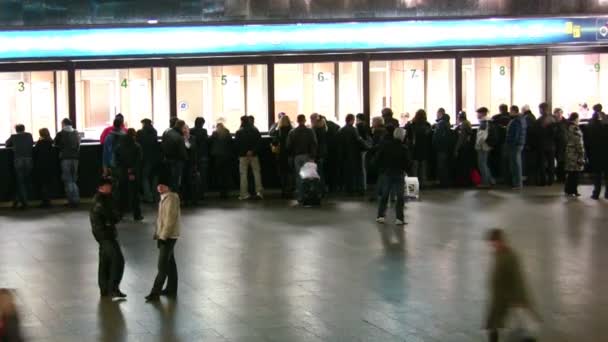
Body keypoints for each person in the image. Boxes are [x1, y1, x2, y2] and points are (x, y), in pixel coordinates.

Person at [485, 229, 538, 342]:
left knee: (521, 327)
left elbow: (518, 279)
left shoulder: (511, 256)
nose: (493, 245)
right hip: (499, 297)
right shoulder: (498, 254)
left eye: (495, 242)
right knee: (494, 324)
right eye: (492, 243)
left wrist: (519, 300)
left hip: (509, 297)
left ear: (501, 241)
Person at [146, 176, 181, 302]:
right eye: (158, 184)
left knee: (162, 266)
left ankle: (154, 293)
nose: (160, 187)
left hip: (168, 236)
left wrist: (163, 236)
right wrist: (157, 233)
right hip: (166, 235)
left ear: (168, 186)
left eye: (163, 185)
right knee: (170, 263)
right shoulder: (163, 198)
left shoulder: (171, 199)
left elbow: (170, 220)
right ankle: (171, 289)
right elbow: (161, 219)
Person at [90, 178, 126, 299]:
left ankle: (105, 289)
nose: (110, 188)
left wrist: (114, 218)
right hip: (105, 235)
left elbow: (116, 215)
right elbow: (112, 216)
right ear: (100, 187)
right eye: (107, 186)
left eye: (110, 186)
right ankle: (113, 288)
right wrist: (113, 218)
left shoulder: (108, 198)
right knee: (118, 260)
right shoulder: (100, 201)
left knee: (105, 261)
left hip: (106, 234)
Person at [374, 126, 410, 225]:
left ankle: (380, 216)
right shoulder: (404, 148)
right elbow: (407, 163)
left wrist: (381, 169)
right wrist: (408, 171)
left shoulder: (386, 146)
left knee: (384, 195)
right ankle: (399, 218)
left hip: (386, 173)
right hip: (399, 174)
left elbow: (377, 158)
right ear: (402, 136)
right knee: (400, 196)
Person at [286, 114, 318, 202]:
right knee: (308, 176)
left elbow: (288, 146)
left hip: (297, 157)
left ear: (297, 121)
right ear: (304, 120)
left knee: (299, 176)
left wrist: (291, 156)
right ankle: (308, 195)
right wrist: (312, 156)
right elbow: (314, 144)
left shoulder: (292, 132)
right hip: (308, 156)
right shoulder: (310, 131)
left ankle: (300, 196)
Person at [114, 128, 143, 221]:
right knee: (135, 194)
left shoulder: (119, 146)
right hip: (133, 174)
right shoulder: (137, 146)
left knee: (121, 194)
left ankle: (119, 213)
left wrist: (123, 170)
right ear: (133, 136)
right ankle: (137, 215)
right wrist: (132, 171)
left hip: (122, 172)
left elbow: (116, 161)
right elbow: (138, 161)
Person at [5, 124, 34, 210]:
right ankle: (17, 201)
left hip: (18, 161)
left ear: (16, 130)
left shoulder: (13, 136)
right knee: (24, 182)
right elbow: (31, 144)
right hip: (29, 160)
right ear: (24, 129)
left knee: (20, 182)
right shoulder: (29, 135)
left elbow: (7, 144)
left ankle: (23, 203)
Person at [235, 115, 263, 200]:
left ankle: (244, 194)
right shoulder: (255, 130)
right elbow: (259, 143)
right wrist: (252, 151)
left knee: (243, 174)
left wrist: (244, 152)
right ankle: (259, 192)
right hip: (254, 155)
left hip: (243, 156)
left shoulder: (239, 132)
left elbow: (237, 145)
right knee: (256, 173)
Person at [54, 118, 81, 207]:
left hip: (65, 158)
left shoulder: (60, 133)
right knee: (74, 180)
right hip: (75, 158)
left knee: (68, 180)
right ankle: (76, 199)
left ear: (63, 124)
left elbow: (55, 144)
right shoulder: (76, 132)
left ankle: (71, 201)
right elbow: (78, 144)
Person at [338, 114, 364, 195]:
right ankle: (356, 189)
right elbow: (358, 140)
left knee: (347, 172)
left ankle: (348, 189)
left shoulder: (341, 130)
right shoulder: (354, 130)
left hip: (344, 154)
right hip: (354, 153)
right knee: (355, 172)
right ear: (352, 120)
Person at [136, 119, 161, 203]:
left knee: (144, 178)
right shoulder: (154, 132)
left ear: (143, 124)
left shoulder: (140, 133)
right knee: (154, 177)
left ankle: (148, 197)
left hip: (145, 159)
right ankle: (155, 196)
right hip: (156, 158)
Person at [405, 109, 432, 187]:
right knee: (423, 168)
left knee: (414, 169)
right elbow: (429, 136)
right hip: (424, 149)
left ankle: (413, 187)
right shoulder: (427, 125)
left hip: (414, 149)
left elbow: (408, 136)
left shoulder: (412, 124)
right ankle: (423, 184)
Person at [585, 112, 608, 200]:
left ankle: (596, 194)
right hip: (606, 154)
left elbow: (587, 142)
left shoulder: (589, 128)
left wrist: (588, 154)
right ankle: (607, 193)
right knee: (607, 175)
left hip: (595, 154)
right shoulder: (605, 127)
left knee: (597, 175)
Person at [161, 120, 188, 192]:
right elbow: (182, 151)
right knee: (176, 180)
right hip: (177, 161)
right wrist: (186, 159)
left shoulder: (167, 132)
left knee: (170, 179)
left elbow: (162, 145)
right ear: (182, 126)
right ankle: (175, 196)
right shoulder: (179, 136)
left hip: (167, 159)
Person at [271, 115, 293, 198]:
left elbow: (274, 142)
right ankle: (290, 191)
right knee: (290, 173)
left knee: (282, 173)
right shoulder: (292, 131)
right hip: (290, 154)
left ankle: (283, 191)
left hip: (281, 155)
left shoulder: (278, 131)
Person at [209, 123, 234, 199]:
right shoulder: (227, 133)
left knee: (219, 175)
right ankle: (226, 192)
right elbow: (231, 143)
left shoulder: (215, 133)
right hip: (227, 156)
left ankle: (221, 192)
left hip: (217, 157)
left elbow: (209, 140)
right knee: (226, 174)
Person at [33, 128, 56, 208]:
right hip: (50, 166)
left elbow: (35, 152)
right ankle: (49, 201)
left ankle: (45, 202)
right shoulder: (51, 142)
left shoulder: (40, 143)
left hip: (41, 165)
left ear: (40, 134)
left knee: (43, 184)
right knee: (48, 184)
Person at [563, 113, 585, 197]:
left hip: (569, 152)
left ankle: (568, 190)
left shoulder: (567, 127)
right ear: (576, 118)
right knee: (575, 173)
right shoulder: (575, 128)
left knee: (571, 173)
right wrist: (582, 153)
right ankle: (573, 190)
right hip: (575, 153)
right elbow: (579, 142)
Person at [506, 105, 527, 190]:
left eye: (510, 111)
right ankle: (517, 183)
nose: (509, 113)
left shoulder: (516, 121)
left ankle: (517, 183)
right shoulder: (522, 119)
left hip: (515, 145)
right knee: (516, 163)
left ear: (514, 111)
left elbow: (516, 134)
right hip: (519, 143)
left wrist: (511, 143)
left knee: (515, 164)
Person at [536, 102, 557, 186]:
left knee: (542, 164)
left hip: (542, 145)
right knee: (551, 163)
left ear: (541, 109)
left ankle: (543, 181)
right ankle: (551, 181)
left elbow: (537, 132)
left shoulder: (540, 120)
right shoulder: (553, 119)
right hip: (552, 145)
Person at [190, 117, 209, 202]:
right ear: (202, 123)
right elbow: (206, 142)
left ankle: (193, 193)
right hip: (203, 156)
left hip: (193, 156)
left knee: (192, 175)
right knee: (203, 175)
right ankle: (201, 194)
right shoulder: (204, 131)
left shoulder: (191, 131)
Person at [432, 108, 453, 187]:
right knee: (445, 165)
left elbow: (437, 137)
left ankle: (442, 182)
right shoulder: (447, 123)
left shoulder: (440, 124)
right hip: (446, 148)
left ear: (440, 113)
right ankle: (445, 182)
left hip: (441, 148)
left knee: (441, 165)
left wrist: (435, 145)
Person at [475, 107, 495, 189]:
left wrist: (478, 144)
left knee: (482, 164)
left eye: (478, 113)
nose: (477, 115)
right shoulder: (489, 122)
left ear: (483, 113)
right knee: (485, 164)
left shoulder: (484, 122)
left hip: (483, 146)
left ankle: (485, 182)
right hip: (487, 145)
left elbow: (482, 136)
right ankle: (491, 180)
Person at [491, 104, 511, 184]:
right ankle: (507, 177)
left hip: (499, 142)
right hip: (508, 142)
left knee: (501, 160)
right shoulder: (511, 118)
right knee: (508, 161)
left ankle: (502, 176)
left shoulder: (496, 118)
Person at [181, 124, 200, 206]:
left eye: (186, 128)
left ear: (189, 130)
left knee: (192, 182)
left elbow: (192, 148)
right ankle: (185, 199)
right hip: (183, 163)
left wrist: (186, 141)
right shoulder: (180, 138)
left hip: (191, 163)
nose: (185, 130)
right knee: (184, 182)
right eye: (183, 128)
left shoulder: (192, 138)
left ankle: (193, 199)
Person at [453, 111, 473, 186]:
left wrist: (456, 149)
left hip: (463, 147)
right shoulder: (468, 123)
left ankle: (463, 182)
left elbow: (461, 138)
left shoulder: (463, 125)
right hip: (467, 147)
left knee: (462, 166)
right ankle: (467, 181)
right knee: (466, 165)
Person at [521, 105, 539, 186]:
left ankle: (528, 179)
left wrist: (527, 143)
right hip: (533, 143)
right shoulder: (532, 117)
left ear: (524, 110)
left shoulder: (527, 118)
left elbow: (527, 131)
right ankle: (531, 179)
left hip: (528, 144)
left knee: (527, 162)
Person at [356, 113, 372, 193]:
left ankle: (363, 185)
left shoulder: (359, 126)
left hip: (361, 149)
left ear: (358, 118)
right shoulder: (367, 126)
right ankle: (365, 185)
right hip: (366, 149)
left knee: (362, 168)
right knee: (364, 168)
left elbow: (359, 138)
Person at [313, 117, 328, 193]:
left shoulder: (316, 131)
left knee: (318, 172)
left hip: (318, 153)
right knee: (321, 171)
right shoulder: (324, 130)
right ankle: (323, 188)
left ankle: (319, 188)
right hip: (323, 153)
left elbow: (315, 143)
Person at [553, 108, 568, 183]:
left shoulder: (566, 122)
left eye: (560, 113)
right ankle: (559, 176)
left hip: (563, 144)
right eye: (557, 113)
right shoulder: (553, 122)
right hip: (555, 144)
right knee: (558, 161)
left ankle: (561, 177)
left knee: (562, 161)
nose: (558, 115)